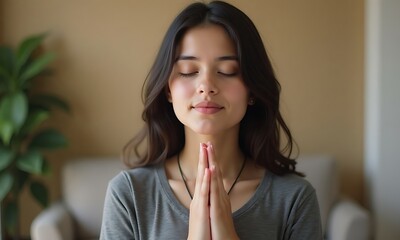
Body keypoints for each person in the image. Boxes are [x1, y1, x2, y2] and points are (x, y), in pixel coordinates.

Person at [100, 1, 322, 239]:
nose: (206, 86)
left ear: (253, 91)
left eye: (227, 70)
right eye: (188, 70)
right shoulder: (129, 194)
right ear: (167, 89)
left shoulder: (294, 198)